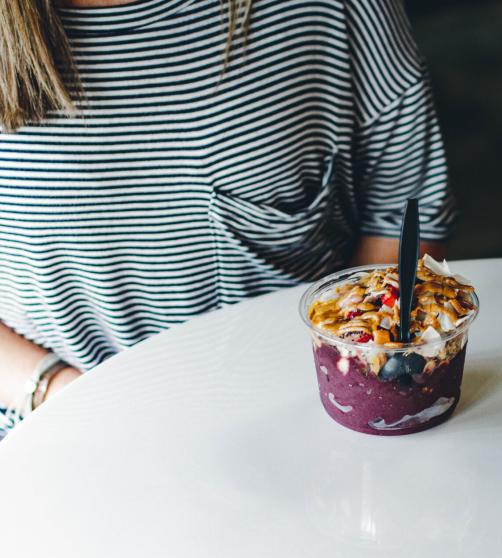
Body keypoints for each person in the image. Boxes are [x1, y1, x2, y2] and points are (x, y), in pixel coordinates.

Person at [0, 0, 454, 437]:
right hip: (60, 427)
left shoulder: (330, 9)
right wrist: (61, 394)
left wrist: (360, 380)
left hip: (315, 417)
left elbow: (403, 204)